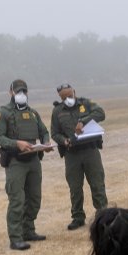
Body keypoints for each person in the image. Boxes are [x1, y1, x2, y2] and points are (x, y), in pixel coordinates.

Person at [0, 78, 52, 250]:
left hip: (33, 160)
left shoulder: (33, 113)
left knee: (34, 199)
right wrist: (17, 143)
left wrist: (46, 143)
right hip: (16, 161)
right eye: (18, 91)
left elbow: (44, 131)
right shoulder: (2, 113)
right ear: (10, 92)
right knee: (17, 200)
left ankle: (28, 231)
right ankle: (16, 238)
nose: (21, 94)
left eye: (24, 91)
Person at [50, 83, 108, 231]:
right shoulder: (57, 111)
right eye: (64, 97)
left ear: (74, 92)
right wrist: (64, 141)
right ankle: (77, 217)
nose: (68, 99)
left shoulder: (86, 103)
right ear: (60, 97)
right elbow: (55, 133)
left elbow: (101, 113)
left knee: (97, 183)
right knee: (75, 187)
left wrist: (83, 121)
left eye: (70, 95)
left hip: (90, 151)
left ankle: (102, 215)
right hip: (72, 154)